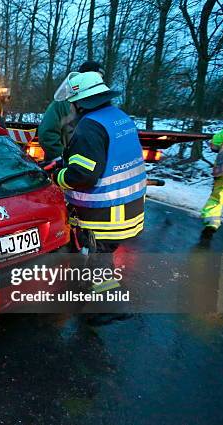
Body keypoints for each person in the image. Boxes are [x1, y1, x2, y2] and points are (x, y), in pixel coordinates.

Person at [53, 71, 146, 324]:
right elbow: (107, 156)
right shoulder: (119, 117)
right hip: (130, 204)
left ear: (79, 101)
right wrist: (65, 161)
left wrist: (58, 176)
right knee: (101, 257)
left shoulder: (89, 126)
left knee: (98, 258)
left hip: (106, 210)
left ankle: (109, 307)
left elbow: (84, 174)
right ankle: (101, 300)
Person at [38, 61, 105, 160]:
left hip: (89, 165)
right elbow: (47, 133)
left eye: (100, 78)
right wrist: (60, 157)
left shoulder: (101, 105)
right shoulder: (63, 102)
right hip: (66, 164)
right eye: (95, 77)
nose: (97, 82)